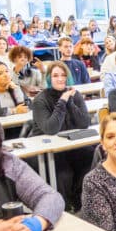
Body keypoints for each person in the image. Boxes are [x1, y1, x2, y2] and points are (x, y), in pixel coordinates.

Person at [30, 62, 94, 209]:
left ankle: (81, 204)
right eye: (55, 75)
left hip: (69, 144)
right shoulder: (40, 99)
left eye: (64, 75)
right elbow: (51, 128)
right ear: (49, 78)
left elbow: (84, 123)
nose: (60, 79)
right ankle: (63, 208)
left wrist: (70, 101)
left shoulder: (74, 94)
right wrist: (63, 101)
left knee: (91, 158)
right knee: (64, 173)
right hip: (47, 149)